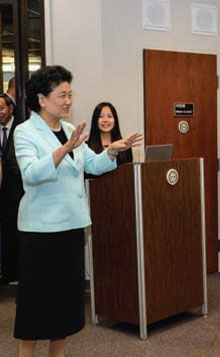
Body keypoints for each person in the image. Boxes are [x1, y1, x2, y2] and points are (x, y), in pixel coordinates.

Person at [13, 65, 143, 357]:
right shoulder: (25, 132)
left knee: (63, 308)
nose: (68, 101)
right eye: (62, 95)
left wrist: (111, 152)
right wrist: (63, 149)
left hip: (71, 228)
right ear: (41, 98)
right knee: (36, 308)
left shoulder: (71, 130)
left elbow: (92, 167)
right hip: (41, 232)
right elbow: (31, 174)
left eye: (70, 94)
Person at [0, 93, 23, 285]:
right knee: (6, 233)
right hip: (2, 192)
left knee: (19, 232)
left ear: (11, 108)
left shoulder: (22, 128)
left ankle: (22, 272)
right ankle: (8, 272)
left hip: (20, 191)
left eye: (1, 108)